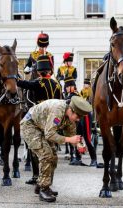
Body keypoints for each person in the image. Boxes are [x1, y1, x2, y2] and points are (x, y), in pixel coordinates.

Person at [20, 96, 92, 202]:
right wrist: (69, 139)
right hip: (30, 126)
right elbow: (50, 135)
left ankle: (42, 185)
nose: (78, 119)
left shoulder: (70, 117)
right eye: (78, 116)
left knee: (53, 156)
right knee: (46, 155)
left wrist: (79, 145)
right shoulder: (58, 110)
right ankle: (43, 189)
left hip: (43, 128)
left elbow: (71, 134)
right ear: (71, 110)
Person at [18, 55, 62, 185]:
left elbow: (23, 84)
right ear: (49, 71)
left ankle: (37, 176)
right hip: (53, 120)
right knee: (51, 150)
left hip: (40, 119)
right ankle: (48, 180)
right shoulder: (57, 85)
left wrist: (16, 77)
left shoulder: (38, 83)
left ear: (38, 71)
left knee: (36, 150)